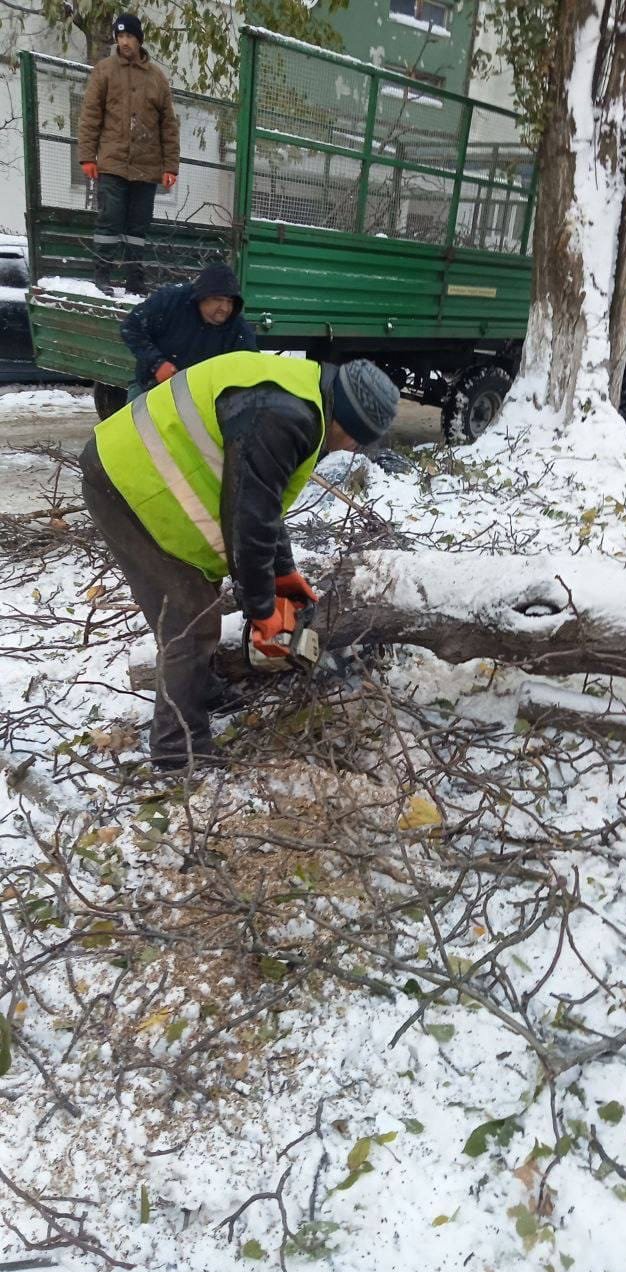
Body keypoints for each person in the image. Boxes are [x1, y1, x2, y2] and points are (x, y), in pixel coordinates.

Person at [79, 352, 400, 771]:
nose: (353, 448)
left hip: (148, 477)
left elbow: (262, 503)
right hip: (125, 480)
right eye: (357, 438)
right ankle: (179, 748)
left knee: (200, 590)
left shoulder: (302, 396)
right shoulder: (284, 417)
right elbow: (247, 521)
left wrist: (283, 574)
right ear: (348, 421)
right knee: (189, 616)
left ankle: (201, 688)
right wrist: (262, 610)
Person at [78, 12, 180, 296]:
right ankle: (102, 275)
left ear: (139, 39)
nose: (124, 42)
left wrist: (170, 166)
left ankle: (135, 279)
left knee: (138, 227)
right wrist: (87, 157)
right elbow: (90, 116)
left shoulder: (157, 78)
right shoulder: (104, 71)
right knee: (109, 219)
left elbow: (168, 126)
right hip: (112, 164)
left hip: (147, 168)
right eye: (120, 37)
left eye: (129, 37)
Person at [120, 263, 258, 400]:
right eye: (218, 300)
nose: (225, 308)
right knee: (132, 420)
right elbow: (131, 326)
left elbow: (252, 365)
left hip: (202, 398)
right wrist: (157, 363)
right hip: (151, 387)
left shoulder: (237, 328)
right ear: (203, 296)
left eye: (230, 302)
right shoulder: (171, 301)